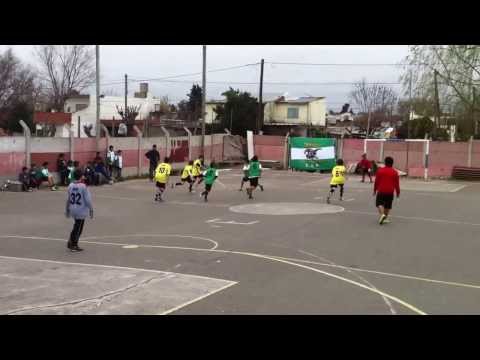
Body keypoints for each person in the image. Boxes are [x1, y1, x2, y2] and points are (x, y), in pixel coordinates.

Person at [65, 169, 94, 252]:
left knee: (76, 225)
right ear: (81, 176)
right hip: (80, 210)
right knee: (79, 228)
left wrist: (67, 209)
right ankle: (74, 244)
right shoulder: (83, 186)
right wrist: (91, 209)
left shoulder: (70, 185)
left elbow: (68, 199)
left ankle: (71, 241)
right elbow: (88, 200)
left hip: (73, 208)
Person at [373, 156, 400, 225]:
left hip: (381, 190)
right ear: (392, 163)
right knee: (388, 206)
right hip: (390, 192)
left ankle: (382, 215)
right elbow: (397, 184)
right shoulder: (395, 172)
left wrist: (374, 190)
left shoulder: (380, 171)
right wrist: (398, 192)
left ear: (385, 163)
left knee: (379, 204)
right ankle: (385, 218)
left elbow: (376, 182)